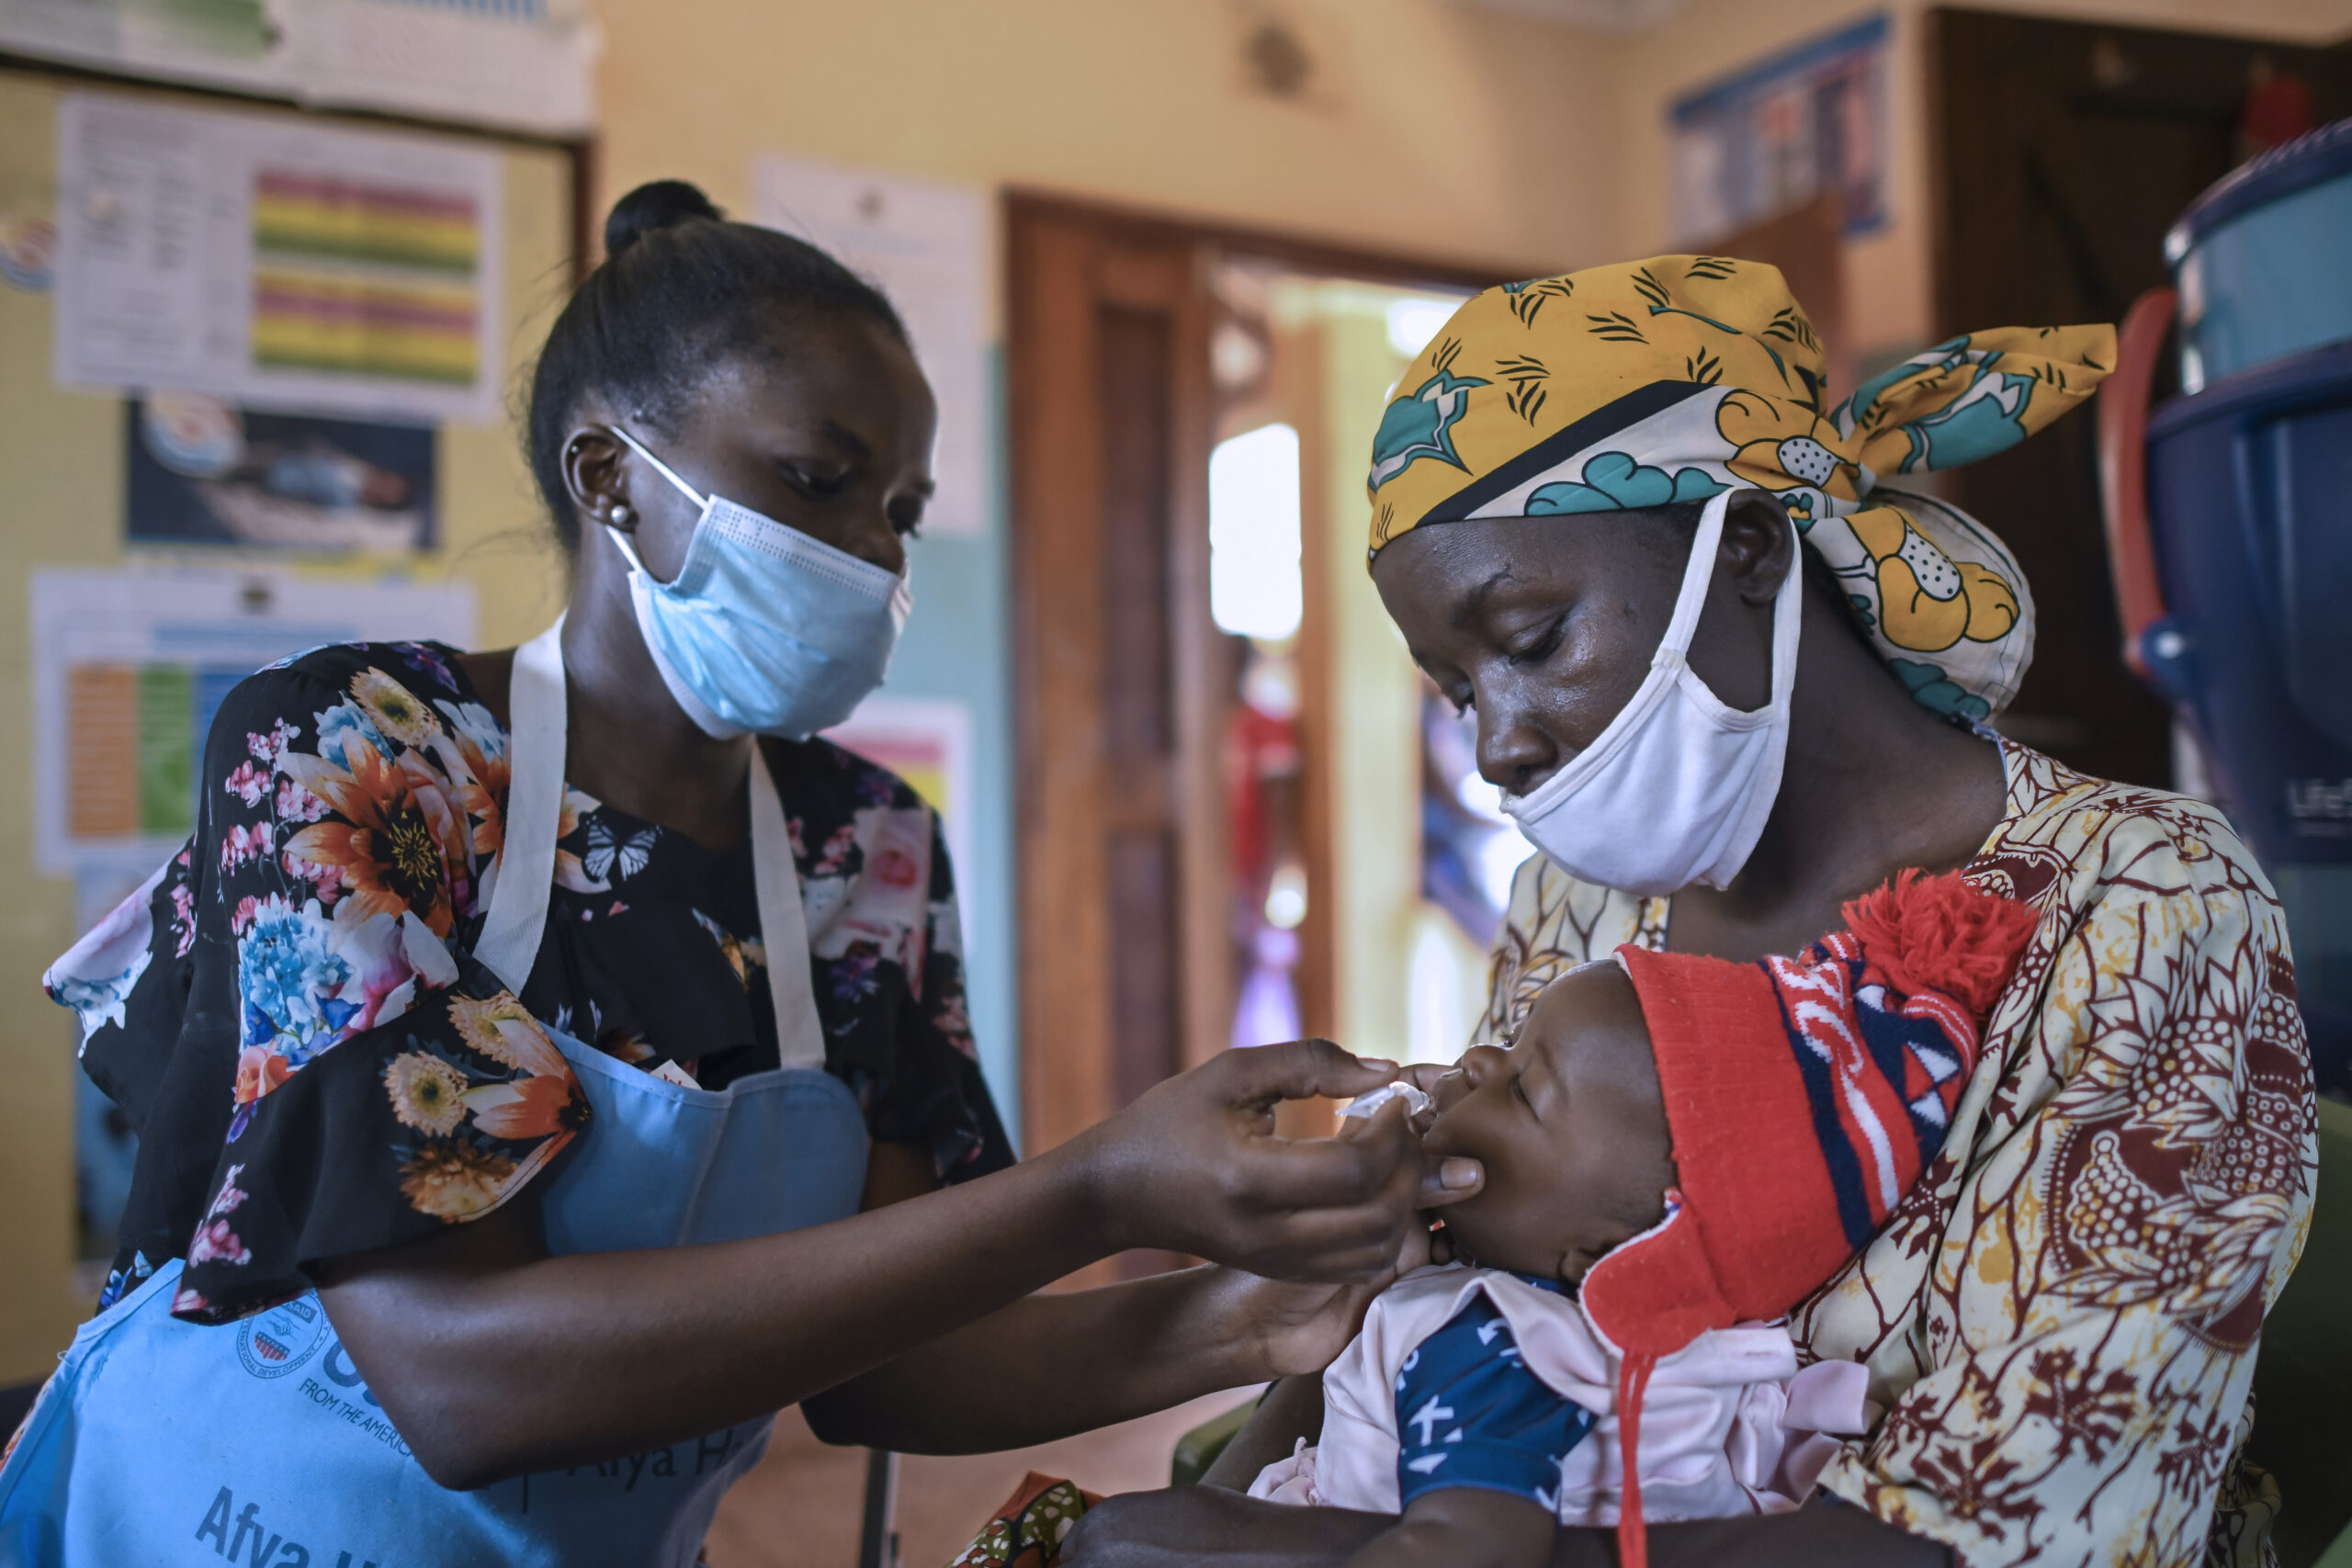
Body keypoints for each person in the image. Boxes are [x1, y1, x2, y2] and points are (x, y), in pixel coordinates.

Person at [0, 182, 1476, 1566]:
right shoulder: (361, 751)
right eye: (819, 479)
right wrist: (1097, 1190)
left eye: (897, 509)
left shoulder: (865, 847)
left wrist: (1265, 1305)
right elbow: (462, 1381)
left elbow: (894, 1358)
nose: (868, 552)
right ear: (611, 478)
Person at [1062, 257, 2316, 1568]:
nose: (1495, 744)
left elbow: (2016, 1521)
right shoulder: (1587, 895)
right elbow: (1462, 1280)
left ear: (1753, 552)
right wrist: (1260, 1501)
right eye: (1453, 688)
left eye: (1532, 636)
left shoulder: (2141, 899)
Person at [1246, 871, 2037, 1568]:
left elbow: (1469, 1545)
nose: (1480, 1058)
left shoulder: (1495, 1342)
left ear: (1607, 1257)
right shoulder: (1591, 1338)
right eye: (1514, 1043)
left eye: (1523, 1088)